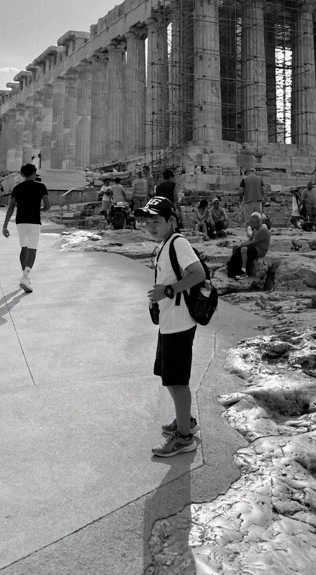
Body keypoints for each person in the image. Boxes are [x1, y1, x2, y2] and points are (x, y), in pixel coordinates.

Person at [135, 195, 204, 457]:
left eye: (156, 220)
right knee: (169, 378)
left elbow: (198, 274)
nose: (150, 226)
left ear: (171, 221)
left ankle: (184, 437)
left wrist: (168, 290)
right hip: (170, 322)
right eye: (147, 221)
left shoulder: (177, 243)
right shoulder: (167, 243)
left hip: (179, 322)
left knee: (177, 380)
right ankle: (185, 420)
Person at [2, 163, 50, 294]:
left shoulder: (17, 188)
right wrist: (38, 209)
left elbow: (11, 207)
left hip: (20, 221)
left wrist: (5, 225)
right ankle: (25, 276)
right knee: (33, 249)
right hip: (34, 221)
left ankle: (25, 276)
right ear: (34, 173)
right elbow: (47, 206)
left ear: (22, 174)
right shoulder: (41, 187)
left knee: (24, 248)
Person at [227, 212, 271, 279]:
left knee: (244, 249)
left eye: (251, 223)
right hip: (254, 248)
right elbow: (249, 240)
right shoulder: (255, 230)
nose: (250, 225)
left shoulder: (263, 230)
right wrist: (240, 245)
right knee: (237, 249)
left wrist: (241, 246)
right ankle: (233, 270)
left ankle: (243, 270)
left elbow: (253, 242)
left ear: (256, 222)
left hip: (260, 250)